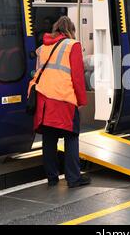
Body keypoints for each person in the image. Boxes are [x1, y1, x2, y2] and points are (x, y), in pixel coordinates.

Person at [28, 16, 90, 187]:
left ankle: (52, 178)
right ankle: (73, 178)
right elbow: (77, 77)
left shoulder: (42, 48)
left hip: (43, 99)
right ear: (71, 30)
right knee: (71, 137)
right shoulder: (72, 45)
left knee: (49, 140)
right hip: (63, 99)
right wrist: (81, 100)